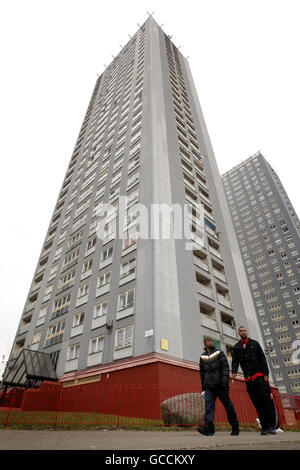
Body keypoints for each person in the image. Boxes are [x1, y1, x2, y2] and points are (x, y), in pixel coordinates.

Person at [231, 326, 277, 436]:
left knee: (265, 401)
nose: (242, 332)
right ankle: (264, 427)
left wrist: (266, 373)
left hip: (259, 376)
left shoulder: (254, 344)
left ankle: (271, 426)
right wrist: (234, 371)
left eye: (244, 330)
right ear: (238, 333)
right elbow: (235, 361)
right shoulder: (237, 347)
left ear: (246, 332)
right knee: (257, 403)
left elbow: (262, 358)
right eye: (240, 331)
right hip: (248, 379)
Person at [198, 336, 239, 436]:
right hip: (209, 387)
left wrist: (225, 381)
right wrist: (203, 387)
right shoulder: (202, 356)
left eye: (211, 340)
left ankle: (235, 426)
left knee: (228, 405)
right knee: (208, 407)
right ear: (205, 343)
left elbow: (225, 367)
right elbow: (202, 373)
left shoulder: (219, 352)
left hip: (221, 385)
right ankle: (209, 429)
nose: (210, 342)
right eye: (208, 341)